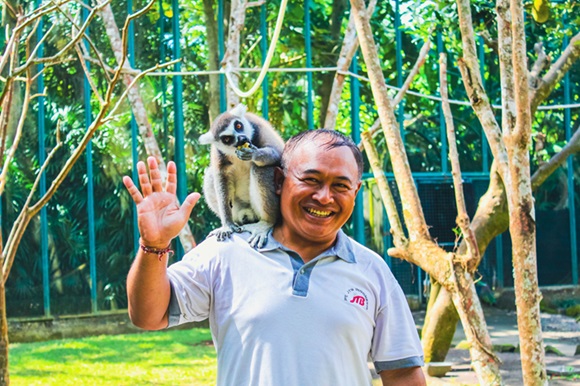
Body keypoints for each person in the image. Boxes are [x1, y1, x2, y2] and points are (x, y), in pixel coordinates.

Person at [123, 129, 425, 386]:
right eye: (311, 180)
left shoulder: (371, 270)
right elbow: (149, 315)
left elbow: (402, 371)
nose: (324, 197)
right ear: (278, 180)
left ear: (355, 192)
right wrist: (154, 244)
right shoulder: (225, 252)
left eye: (340, 186)